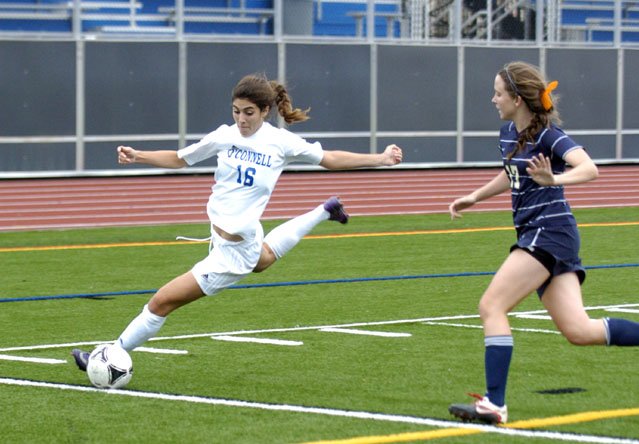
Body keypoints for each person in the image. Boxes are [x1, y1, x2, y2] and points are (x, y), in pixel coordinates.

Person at [71, 73, 403, 371]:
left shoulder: (280, 142)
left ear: (264, 112)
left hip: (234, 247)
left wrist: (382, 158)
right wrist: (138, 155)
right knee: (263, 260)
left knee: (162, 301)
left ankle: (110, 354)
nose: (241, 119)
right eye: (236, 111)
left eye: (249, 113)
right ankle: (325, 210)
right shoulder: (224, 136)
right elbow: (179, 158)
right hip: (226, 237)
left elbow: (330, 158)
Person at [447, 61, 639, 425]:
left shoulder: (549, 135)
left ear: (517, 99)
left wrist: (554, 180)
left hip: (548, 233)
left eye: (498, 93)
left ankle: (494, 404)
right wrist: (475, 196)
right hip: (547, 235)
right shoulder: (507, 133)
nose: (493, 99)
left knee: (491, 305)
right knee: (579, 331)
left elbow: (589, 168)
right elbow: (512, 174)